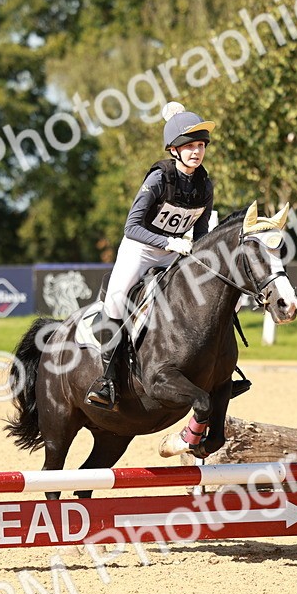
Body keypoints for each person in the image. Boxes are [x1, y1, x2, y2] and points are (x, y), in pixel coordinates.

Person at [85, 101, 215, 410]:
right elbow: (131, 227)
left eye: (201, 145)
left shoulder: (204, 185)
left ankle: (216, 371)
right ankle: (108, 380)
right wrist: (170, 243)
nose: (197, 151)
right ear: (174, 150)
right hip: (141, 250)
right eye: (190, 146)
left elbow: (202, 229)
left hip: (175, 254)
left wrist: (199, 253)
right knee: (116, 300)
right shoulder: (159, 179)